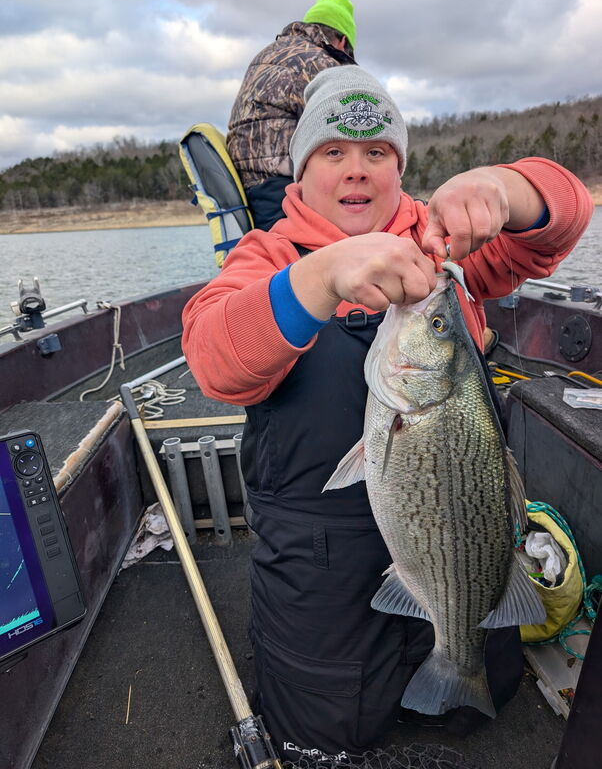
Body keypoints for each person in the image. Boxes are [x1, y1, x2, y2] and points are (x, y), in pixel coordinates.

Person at [183, 66, 593, 761]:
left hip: (459, 549)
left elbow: (567, 215)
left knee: (475, 702)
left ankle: (455, 664)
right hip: (321, 576)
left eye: (378, 153)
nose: (357, 171)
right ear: (301, 170)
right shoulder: (269, 256)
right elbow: (216, 359)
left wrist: (503, 189)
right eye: (332, 152)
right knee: (323, 730)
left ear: (399, 167)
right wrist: (317, 278)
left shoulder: (444, 250)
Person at [227, 0, 356, 231]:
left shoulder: (267, 54)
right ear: (341, 41)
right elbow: (355, 131)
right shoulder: (318, 63)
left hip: (249, 191)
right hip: (283, 198)